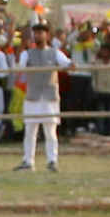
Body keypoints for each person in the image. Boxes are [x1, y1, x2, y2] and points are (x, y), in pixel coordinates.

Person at [10, 23, 68, 171]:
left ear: (47, 35)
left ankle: (52, 161)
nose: (38, 36)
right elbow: (20, 67)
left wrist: (71, 65)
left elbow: (66, 63)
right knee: (30, 131)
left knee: (50, 132)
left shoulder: (55, 53)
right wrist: (19, 51)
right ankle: (28, 162)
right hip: (33, 96)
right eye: (35, 33)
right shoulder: (27, 53)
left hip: (49, 96)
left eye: (40, 33)